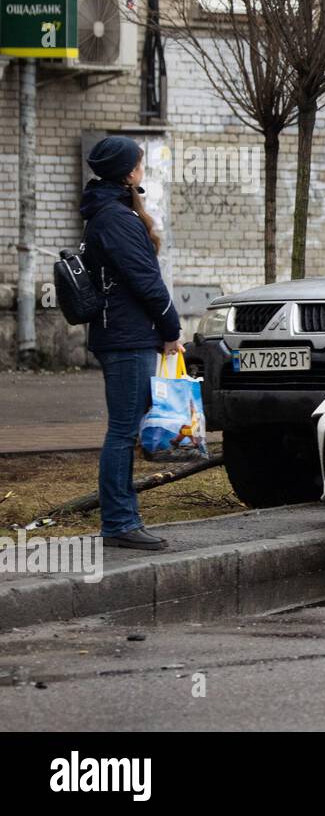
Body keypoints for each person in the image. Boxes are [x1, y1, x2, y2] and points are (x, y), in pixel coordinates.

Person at [81, 136, 182, 550]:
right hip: (126, 337)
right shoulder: (115, 219)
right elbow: (146, 282)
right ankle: (119, 522)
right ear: (127, 172)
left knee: (125, 429)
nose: (143, 169)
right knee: (122, 431)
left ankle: (123, 519)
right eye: (139, 163)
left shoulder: (110, 212)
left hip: (126, 334)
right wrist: (172, 328)